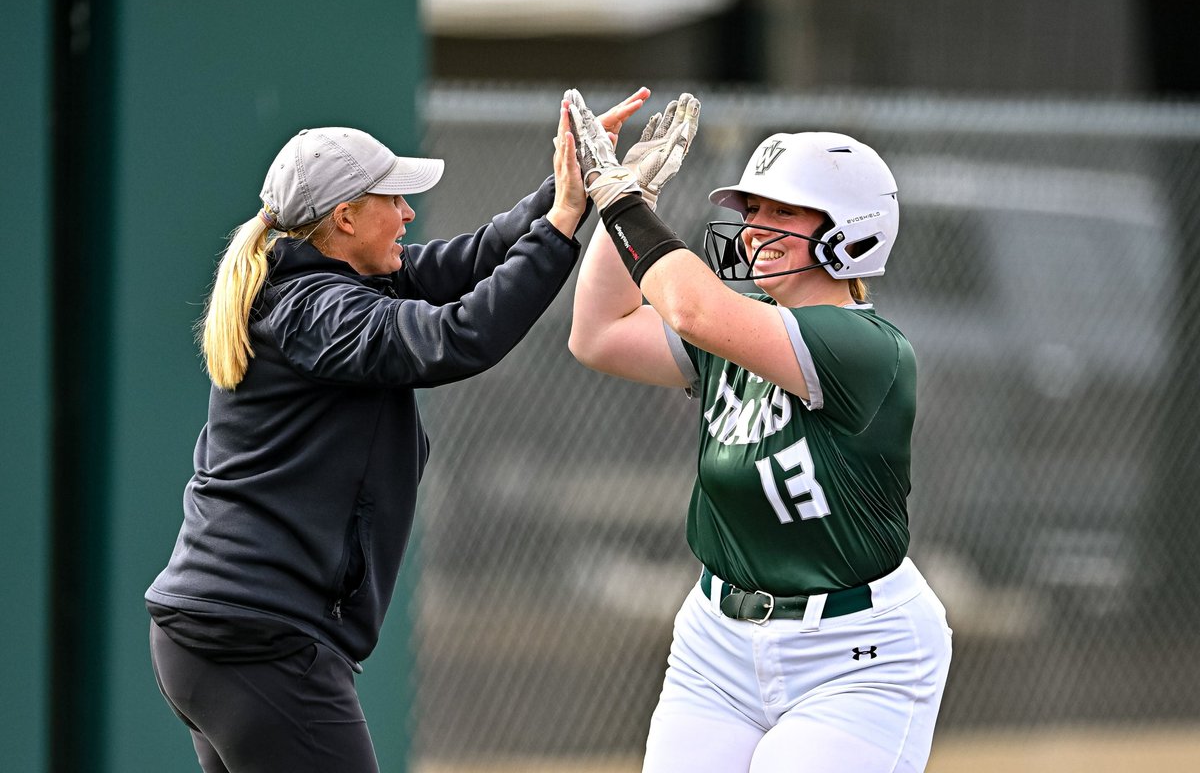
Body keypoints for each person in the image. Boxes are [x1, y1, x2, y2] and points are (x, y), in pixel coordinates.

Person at [145, 92, 648, 773]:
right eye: (393, 200)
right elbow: (459, 337)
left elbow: (469, 259)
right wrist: (560, 225)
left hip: (220, 631)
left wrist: (574, 188)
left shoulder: (324, 280)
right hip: (260, 640)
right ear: (345, 217)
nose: (408, 213)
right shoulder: (320, 310)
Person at [566, 90, 953, 773]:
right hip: (718, 639)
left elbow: (690, 307)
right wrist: (629, 201)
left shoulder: (863, 345)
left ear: (852, 228)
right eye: (752, 211)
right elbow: (597, 334)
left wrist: (625, 202)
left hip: (856, 648)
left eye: (783, 211)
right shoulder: (738, 325)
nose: (753, 229)